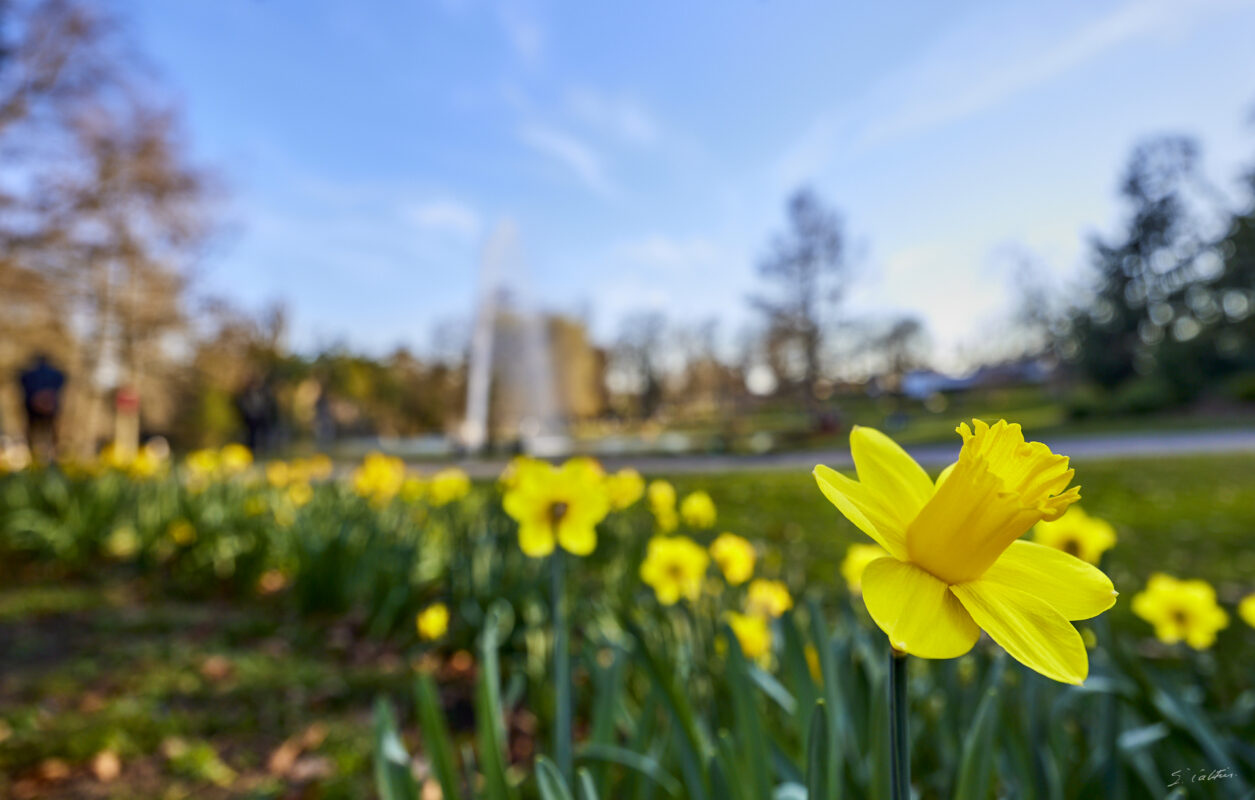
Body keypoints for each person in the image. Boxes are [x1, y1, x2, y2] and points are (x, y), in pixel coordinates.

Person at [19, 353, 65, 462]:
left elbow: (22, 380)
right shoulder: (55, 374)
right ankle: (51, 455)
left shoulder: (30, 374)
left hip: (34, 404)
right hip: (47, 405)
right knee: (50, 430)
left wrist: (35, 394)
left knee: (33, 430)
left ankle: (33, 454)